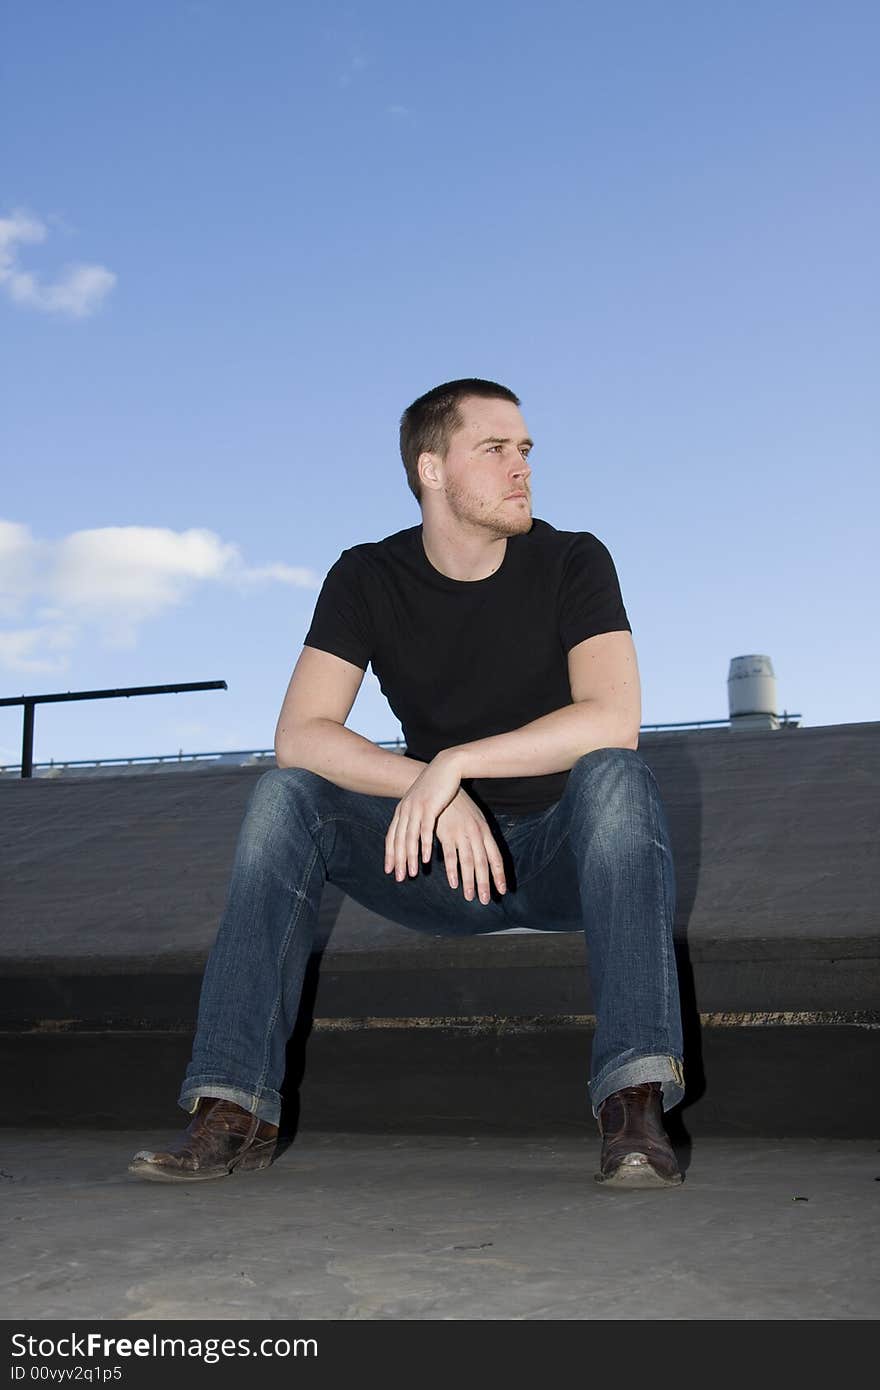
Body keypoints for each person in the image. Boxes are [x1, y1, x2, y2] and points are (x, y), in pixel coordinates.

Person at [129, 378, 685, 1189]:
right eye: (494, 449)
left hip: (570, 855)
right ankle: (234, 1107)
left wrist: (456, 766)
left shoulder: (573, 559)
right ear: (431, 470)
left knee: (615, 777)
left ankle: (633, 1103)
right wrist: (428, 787)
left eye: (525, 449)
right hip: (441, 869)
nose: (521, 467)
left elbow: (613, 718)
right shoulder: (366, 577)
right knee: (284, 797)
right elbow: (299, 736)